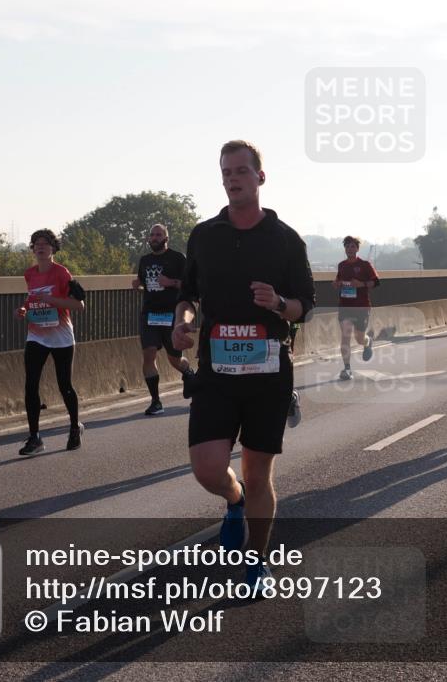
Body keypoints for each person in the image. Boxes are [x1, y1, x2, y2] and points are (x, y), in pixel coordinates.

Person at [172, 140, 315, 591]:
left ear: (260, 177)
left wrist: (277, 302)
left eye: (240, 171)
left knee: (258, 474)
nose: (232, 178)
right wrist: (183, 323)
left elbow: (304, 307)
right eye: (225, 171)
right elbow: (189, 297)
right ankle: (232, 501)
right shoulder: (204, 235)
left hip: (268, 376)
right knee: (208, 469)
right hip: (216, 372)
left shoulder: (286, 240)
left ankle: (257, 562)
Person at [14, 229, 85, 455]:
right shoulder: (30, 274)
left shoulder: (62, 273)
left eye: (45, 243)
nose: (40, 247)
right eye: (36, 243)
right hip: (36, 335)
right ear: (33, 249)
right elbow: (31, 298)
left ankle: (75, 427)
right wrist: (24, 309)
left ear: (53, 248)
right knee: (31, 384)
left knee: (65, 385)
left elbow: (79, 306)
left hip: (61, 336)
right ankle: (34, 437)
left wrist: (52, 300)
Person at [133, 224, 194, 415]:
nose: (154, 238)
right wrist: (138, 284)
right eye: (152, 235)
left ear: (166, 238)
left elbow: (191, 286)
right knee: (148, 354)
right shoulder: (144, 260)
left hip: (171, 314)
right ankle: (156, 401)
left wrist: (172, 283)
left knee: (174, 359)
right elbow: (146, 282)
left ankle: (189, 373)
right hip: (149, 315)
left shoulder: (177, 259)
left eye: (158, 235)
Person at [333, 236, 380, 380]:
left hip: (361, 307)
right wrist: (337, 284)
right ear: (345, 249)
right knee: (345, 336)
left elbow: (376, 282)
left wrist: (361, 284)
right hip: (345, 306)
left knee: (359, 338)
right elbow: (338, 280)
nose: (350, 249)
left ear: (357, 249)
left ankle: (367, 342)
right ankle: (347, 369)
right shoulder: (342, 265)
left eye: (353, 246)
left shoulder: (365, 265)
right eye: (347, 247)